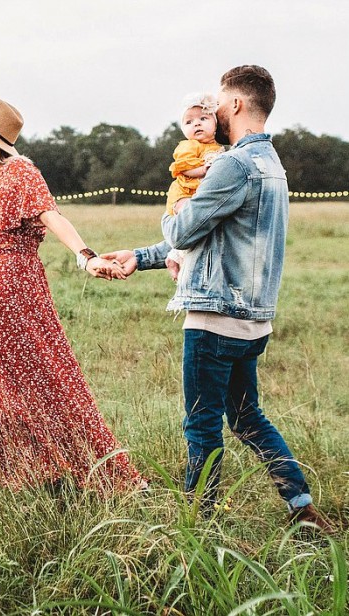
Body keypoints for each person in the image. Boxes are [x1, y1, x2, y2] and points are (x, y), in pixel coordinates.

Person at [103, 66, 334, 532]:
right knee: (247, 417)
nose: (212, 112)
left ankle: (197, 523)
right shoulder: (272, 165)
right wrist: (142, 257)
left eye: (219, 104)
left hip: (215, 318)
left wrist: (174, 209)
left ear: (236, 105)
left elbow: (185, 229)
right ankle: (302, 507)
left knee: (201, 425)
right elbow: (215, 236)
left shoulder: (232, 165)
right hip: (253, 321)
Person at [0, 97, 143, 491]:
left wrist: (86, 257)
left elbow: (51, 214)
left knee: (39, 373)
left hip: (10, 284)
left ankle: (67, 466)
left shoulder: (21, 171)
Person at [164, 92, 226, 281]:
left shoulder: (218, 147)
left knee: (201, 225)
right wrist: (203, 170)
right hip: (184, 193)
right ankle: (177, 257)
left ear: (215, 124)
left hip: (198, 193)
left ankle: (177, 256)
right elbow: (182, 167)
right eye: (189, 122)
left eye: (203, 118)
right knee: (189, 218)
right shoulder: (188, 146)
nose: (196, 124)